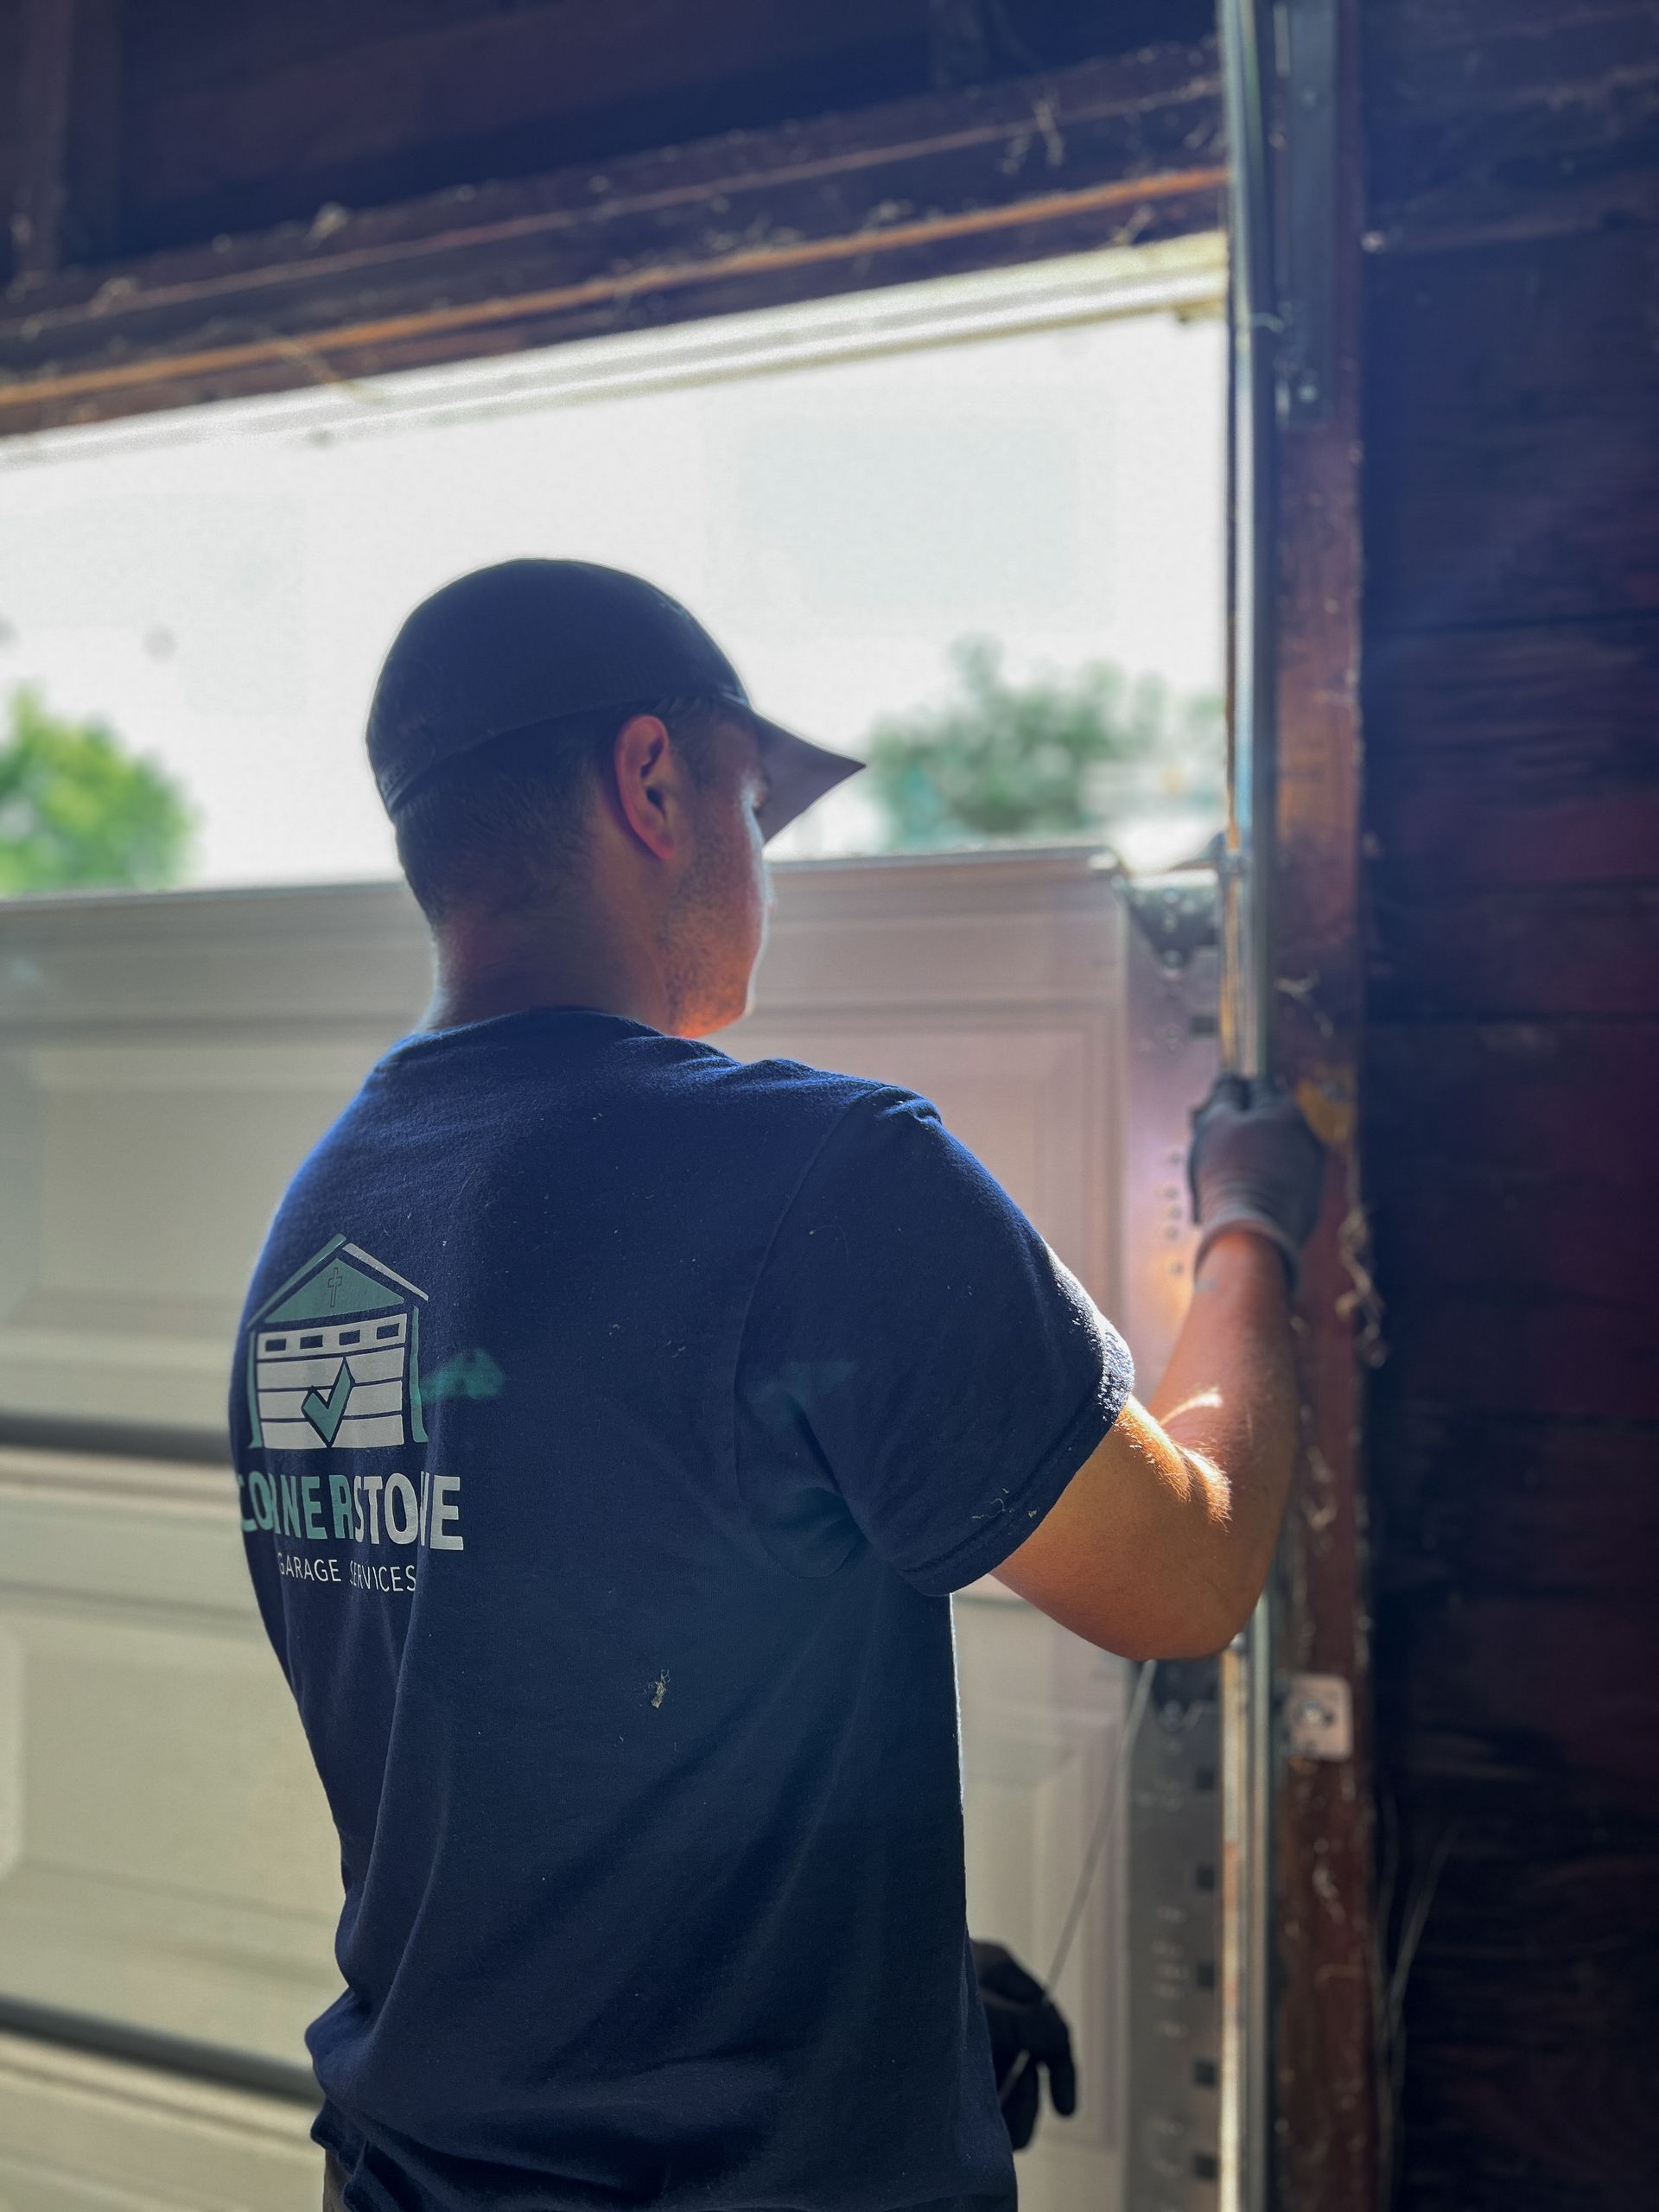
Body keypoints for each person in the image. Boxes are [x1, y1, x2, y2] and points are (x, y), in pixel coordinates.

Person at [230, 560, 1324, 2212]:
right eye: (756, 803)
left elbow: (540, 1722)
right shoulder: (819, 1176)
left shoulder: (323, 1229)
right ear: (654, 781)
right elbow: (1184, 1570)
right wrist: (1251, 1228)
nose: (764, 865)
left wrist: (867, 1964)